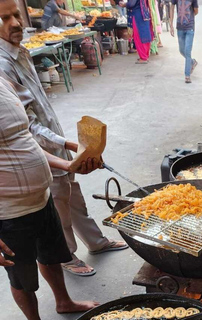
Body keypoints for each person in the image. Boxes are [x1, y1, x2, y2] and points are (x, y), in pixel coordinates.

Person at [0, 0, 128, 277]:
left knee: (74, 196)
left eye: (15, 15)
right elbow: (26, 125)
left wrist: (68, 144)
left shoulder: (20, 51)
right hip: (35, 153)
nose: (15, 23)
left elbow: (40, 106)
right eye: (4, 19)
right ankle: (67, 256)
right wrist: (66, 144)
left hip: (54, 139)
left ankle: (95, 242)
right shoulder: (2, 66)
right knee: (59, 206)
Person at [0, 76, 101, 320]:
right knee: (22, 277)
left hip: (42, 199)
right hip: (9, 213)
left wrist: (67, 164)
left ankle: (64, 302)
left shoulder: (4, 83)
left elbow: (24, 141)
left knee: (52, 255)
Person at [169, 0, 198, 83]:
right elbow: (172, 7)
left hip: (190, 28)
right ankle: (192, 62)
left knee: (187, 51)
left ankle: (187, 75)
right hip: (180, 27)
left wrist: (189, 18)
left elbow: (196, 11)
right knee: (182, 50)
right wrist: (171, 24)